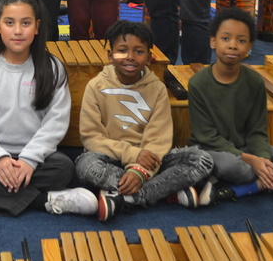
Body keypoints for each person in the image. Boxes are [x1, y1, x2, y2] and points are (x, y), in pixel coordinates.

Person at [0, 0, 91, 217]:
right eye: (9, 23)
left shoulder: (52, 68)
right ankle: (43, 201)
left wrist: (28, 160)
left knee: (64, 168)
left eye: (26, 23)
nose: (17, 31)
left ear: (37, 27)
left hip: (35, 159)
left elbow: (55, 123)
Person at [73, 21, 213, 222]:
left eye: (138, 51)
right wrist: (133, 155)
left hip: (151, 160)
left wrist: (140, 172)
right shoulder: (95, 86)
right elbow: (91, 138)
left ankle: (122, 197)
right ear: (110, 56)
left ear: (148, 58)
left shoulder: (157, 89)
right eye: (122, 50)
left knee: (202, 159)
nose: (130, 57)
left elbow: (159, 139)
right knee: (85, 165)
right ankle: (164, 192)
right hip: (111, 157)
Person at [186, 7, 273, 206]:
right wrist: (251, 160)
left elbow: (257, 131)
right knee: (234, 167)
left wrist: (263, 160)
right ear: (213, 41)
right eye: (225, 38)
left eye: (241, 41)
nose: (233, 45)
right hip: (211, 149)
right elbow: (206, 136)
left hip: (245, 147)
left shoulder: (254, 81)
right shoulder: (198, 83)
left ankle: (244, 189)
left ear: (249, 46)